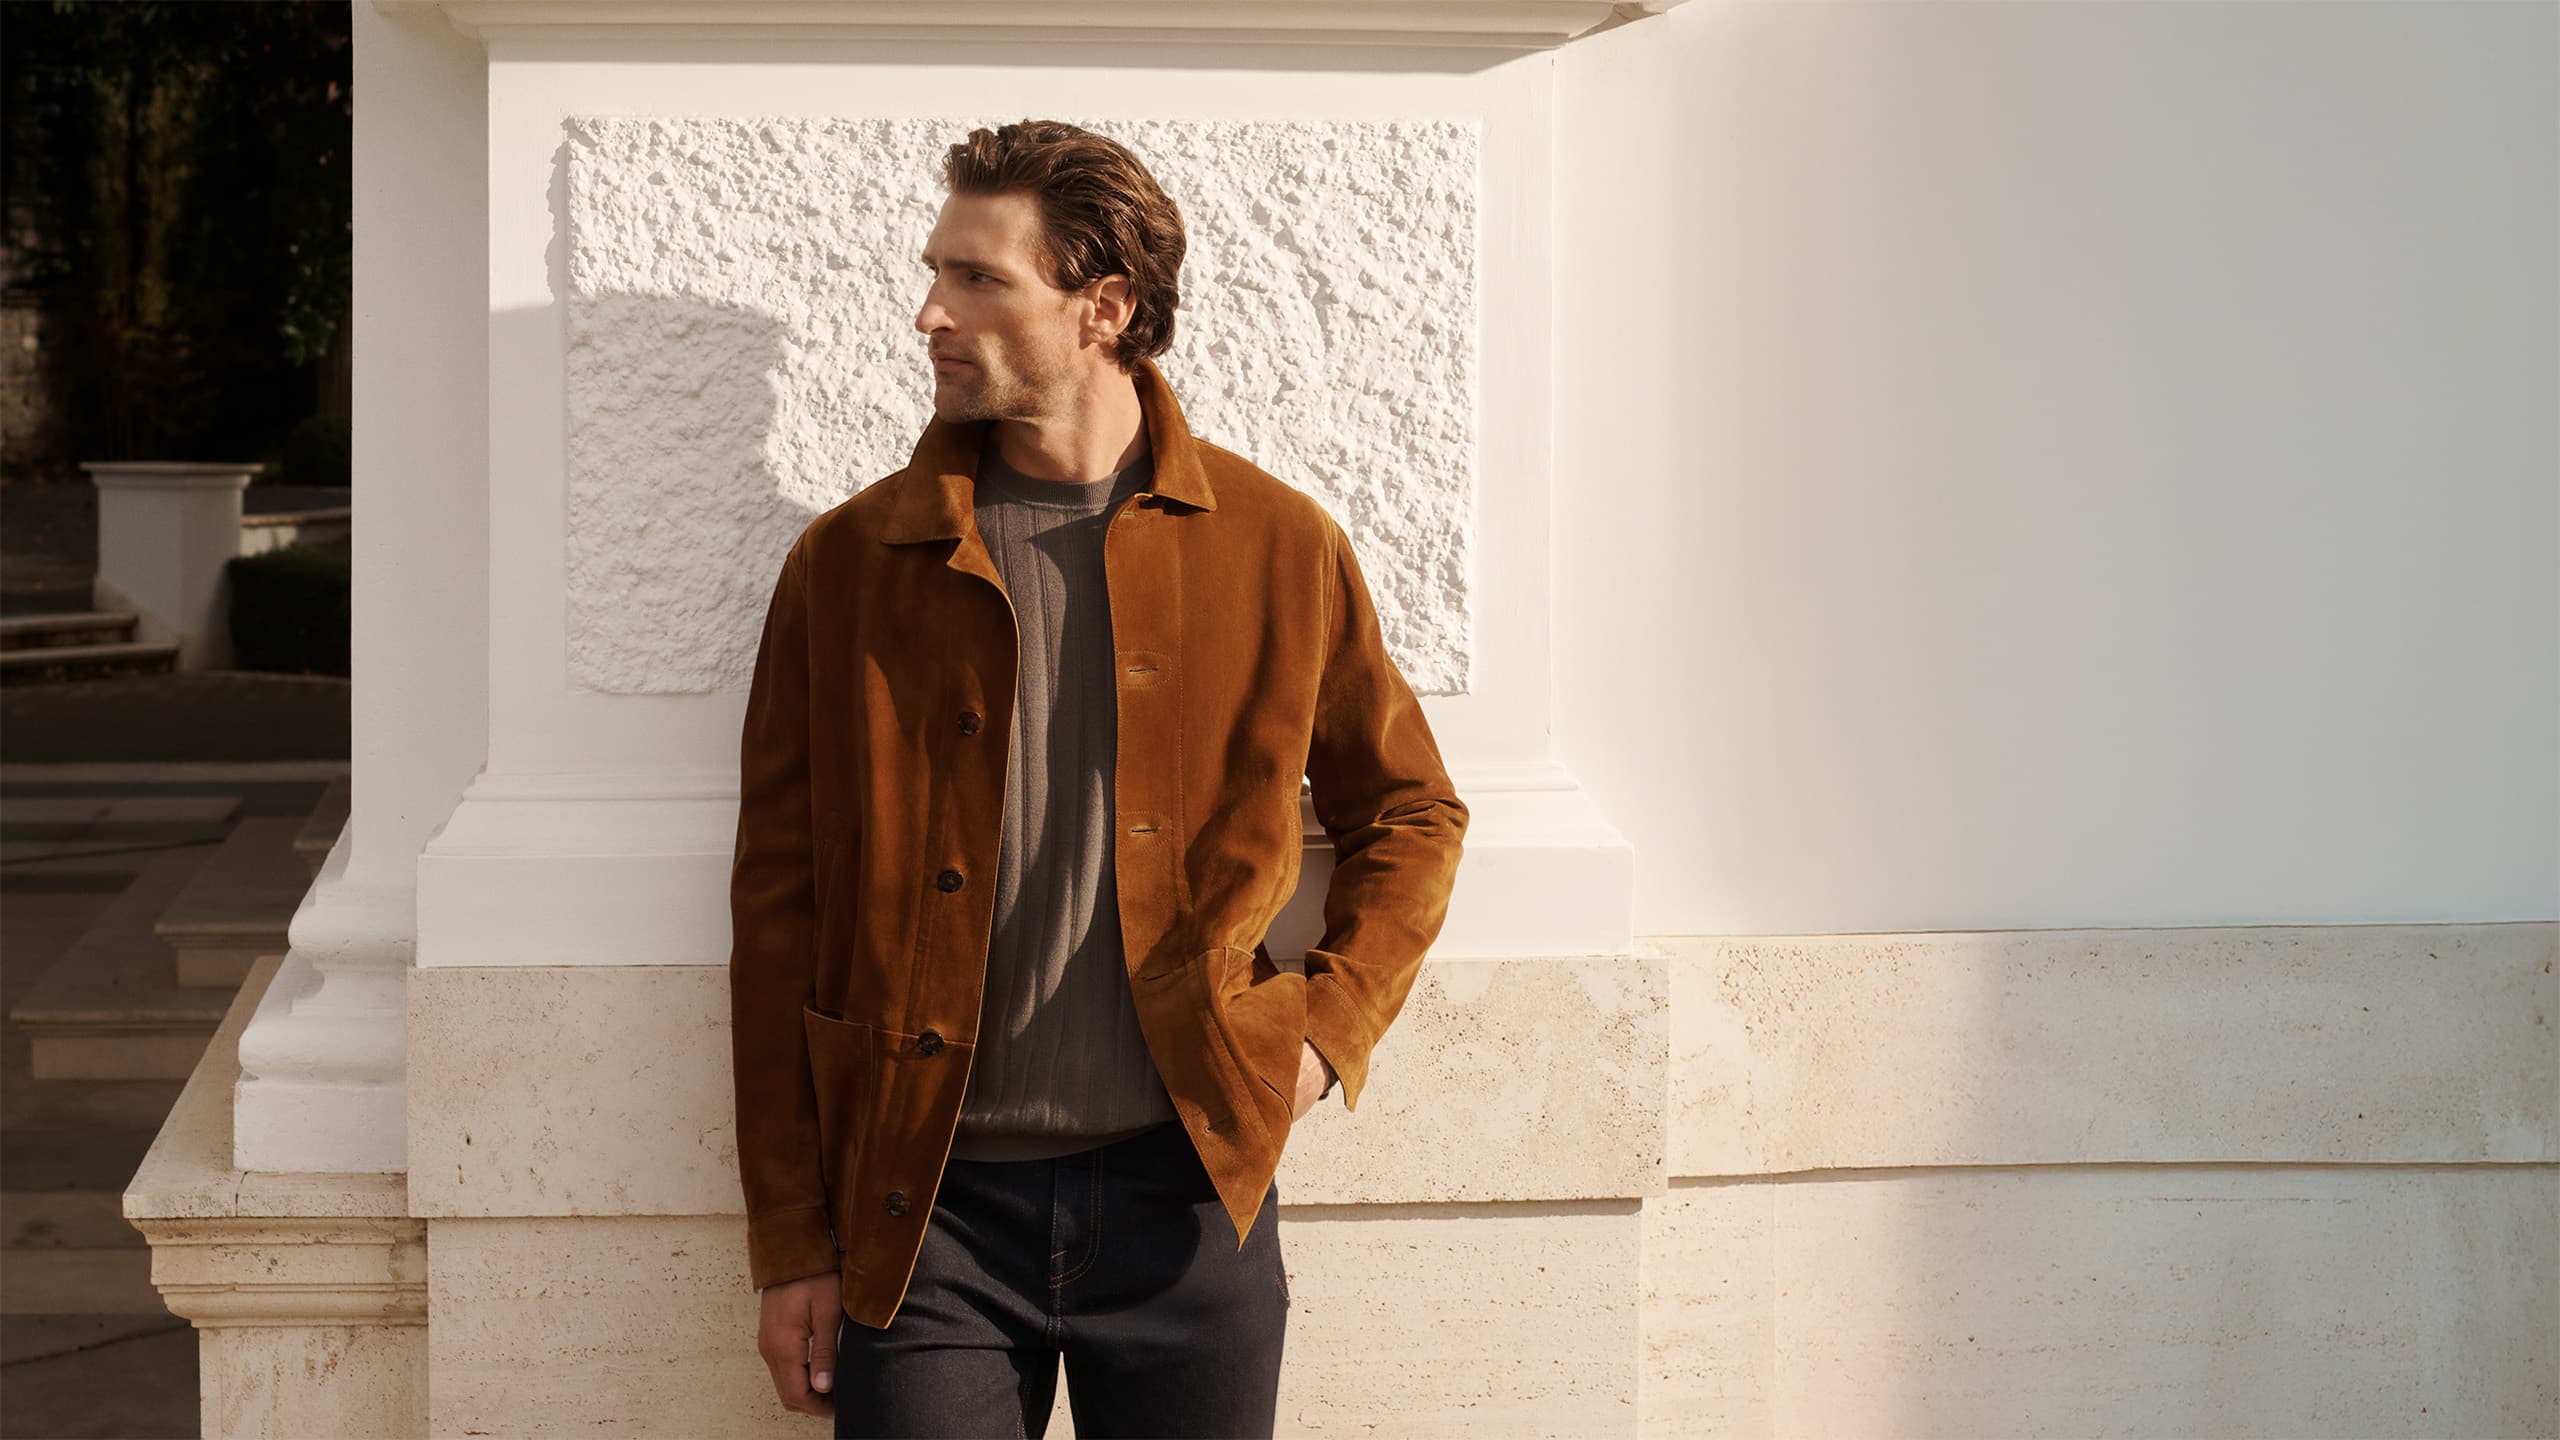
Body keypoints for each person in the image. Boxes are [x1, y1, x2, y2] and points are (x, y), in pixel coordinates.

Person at [729, 119, 1467, 1439]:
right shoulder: (851, 566)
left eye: (978, 279)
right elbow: (778, 911)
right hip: (924, 1211)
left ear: (1104, 307)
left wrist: (1323, 1029)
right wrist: (794, 1235)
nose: (930, 313)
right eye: (936, 272)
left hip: (1189, 1201)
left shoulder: (1276, 546)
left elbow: (1411, 811)